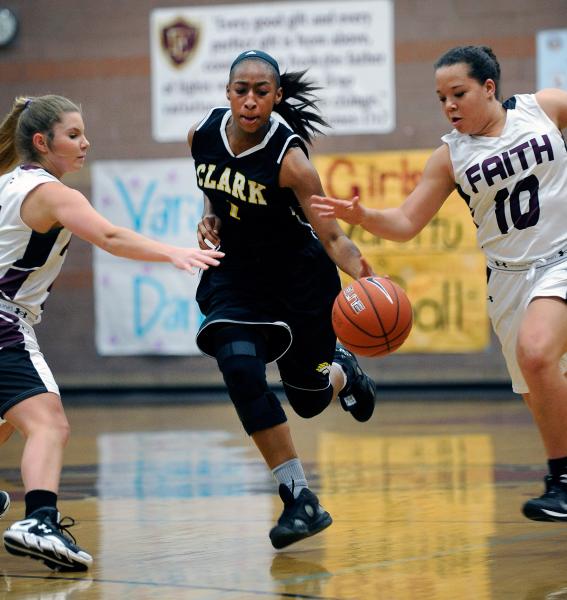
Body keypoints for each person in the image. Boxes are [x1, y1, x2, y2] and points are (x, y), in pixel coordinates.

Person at [311, 45, 567, 523]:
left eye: (458, 93)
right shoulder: (451, 156)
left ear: (489, 88)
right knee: (540, 390)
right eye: (440, 98)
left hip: (561, 258)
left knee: (536, 352)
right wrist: (363, 215)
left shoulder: (545, 107)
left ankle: (562, 480)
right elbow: (407, 222)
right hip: (509, 282)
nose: (449, 105)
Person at [0, 94, 224, 571]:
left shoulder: (5, 185)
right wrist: (174, 253)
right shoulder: (53, 194)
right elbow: (111, 237)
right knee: (48, 423)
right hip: (4, 320)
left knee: (9, 419)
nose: (86, 143)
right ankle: (39, 520)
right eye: (74, 135)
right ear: (42, 142)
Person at [188, 49, 377, 549]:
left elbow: (333, 239)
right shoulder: (201, 135)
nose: (250, 101)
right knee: (239, 367)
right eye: (241, 91)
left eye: (261, 92)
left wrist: (368, 280)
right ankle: (299, 498)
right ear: (227, 93)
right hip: (237, 280)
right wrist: (210, 215)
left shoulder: (292, 162)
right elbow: (213, 186)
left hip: (299, 285)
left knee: (310, 402)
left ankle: (342, 370)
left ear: (277, 97)